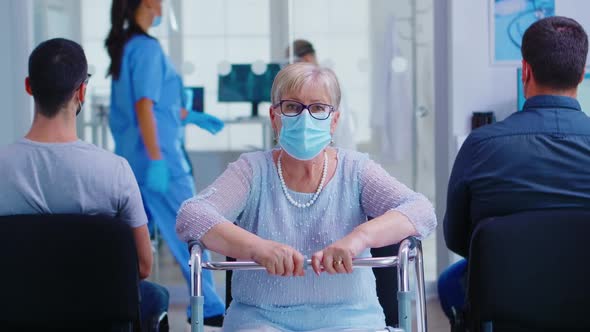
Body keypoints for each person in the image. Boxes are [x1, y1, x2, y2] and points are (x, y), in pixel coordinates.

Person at [176, 62, 437, 331]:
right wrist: (258, 248)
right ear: (274, 116)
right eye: (292, 107)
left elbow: (421, 211)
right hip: (261, 319)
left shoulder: (356, 170)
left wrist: (358, 238)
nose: (305, 118)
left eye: (318, 108)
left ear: (334, 120)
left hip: (350, 320)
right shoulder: (251, 171)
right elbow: (192, 215)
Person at [0, 38, 169, 329]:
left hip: (16, 317)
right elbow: (142, 266)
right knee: (154, 295)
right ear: (82, 91)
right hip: (98, 319)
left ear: (29, 86)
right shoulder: (114, 171)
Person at [440, 16, 590, 325]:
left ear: (525, 70)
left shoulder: (481, 145)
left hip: (504, 311)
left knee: (446, 285)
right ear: (582, 72)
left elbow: (456, 238)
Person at [105, 0, 225, 325]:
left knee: (135, 239)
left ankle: (130, 307)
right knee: (193, 229)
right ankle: (209, 306)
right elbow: (144, 108)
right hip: (159, 162)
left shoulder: (130, 46)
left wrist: (191, 116)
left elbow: (156, 108)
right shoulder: (145, 49)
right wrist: (158, 160)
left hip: (135, 160)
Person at [289, 39, 357, 150]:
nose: (288, 68)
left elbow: (335, 123)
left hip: (334, 146)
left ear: (306, 59)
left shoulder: (325, 82)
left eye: (291, 62)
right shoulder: (319, 80)